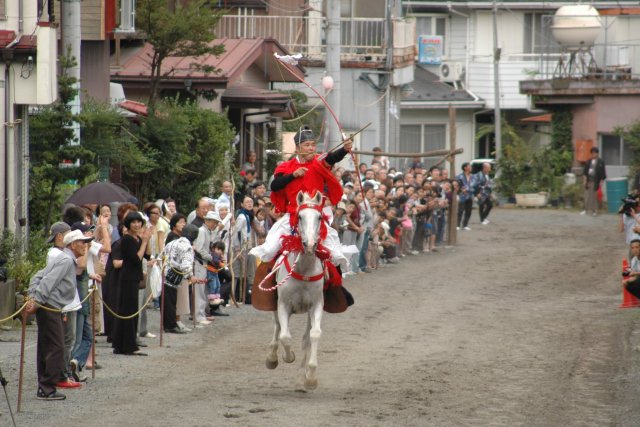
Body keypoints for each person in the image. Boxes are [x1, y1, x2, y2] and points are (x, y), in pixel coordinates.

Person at [249, 125, 352, 269]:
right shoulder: (287, 166)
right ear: (297, 149)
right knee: (270, 248)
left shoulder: (319, 163)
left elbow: (332, 157)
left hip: (316, 217)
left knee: (335, 254)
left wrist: (344, 149)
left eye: (313, 145)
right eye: (307, 145)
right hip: (292, 216)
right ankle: (269, 285)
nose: (311, 148)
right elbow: (275, 186)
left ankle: (333, 289)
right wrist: (293, 175)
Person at [25, 229, 94, 400]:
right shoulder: (65, 261)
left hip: (52, 307)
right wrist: (36, 301)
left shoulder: (65, 259)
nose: (85, 245)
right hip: (49, 306)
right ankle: (47, 387)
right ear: (72, 244)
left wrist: (33, 296)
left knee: (47, 346)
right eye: (82, 242)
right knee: (56, 347)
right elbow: (47, 281)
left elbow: (37, 276)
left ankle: (45, 387)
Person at [111, 212, 152, 356]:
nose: (136, 225)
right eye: (133, 222)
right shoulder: (127, 239)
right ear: (128, 224)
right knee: (128, 312)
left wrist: (147, 240)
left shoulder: (137, 238)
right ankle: (128, 345)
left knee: (132, 312)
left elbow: (147, 255)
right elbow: (136, 258)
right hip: (127, 277)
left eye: (138, 222)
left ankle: (125, 344)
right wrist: (145, 242)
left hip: (134, 277)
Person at [162, 224, 200, 333]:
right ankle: (170, 326)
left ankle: (168, 325)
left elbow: (163, 256)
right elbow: (185, 266)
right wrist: (191, 276)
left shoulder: (171, 243)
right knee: (171, 302)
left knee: (166, 301)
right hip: (174, 276)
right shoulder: (187, 247)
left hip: (164, 273)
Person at [581, 147, 606, 216]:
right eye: (592, 153)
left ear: (597, 153)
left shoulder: (601, 162)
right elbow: (585, 172)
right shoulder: (588, 161)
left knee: (595, 196)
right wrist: (584, 181)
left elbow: (603, 174)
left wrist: (601, 182)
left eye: (595, 153)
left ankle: (594, 210)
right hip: (589, 181)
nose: (594, 154)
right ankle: (585, 210)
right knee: (587, 195)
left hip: (596, 181)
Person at [456, 162, 476, 231]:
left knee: (468, 211)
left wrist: (466, 189)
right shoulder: (459, 176)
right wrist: (461, 189)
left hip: (470, 196)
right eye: (469, 166)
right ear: (465, 168)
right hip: (462, 196)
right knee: (460, 211)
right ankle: (457, 225)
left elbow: (473, 185)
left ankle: (465, 225)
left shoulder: (473, 176)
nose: (471, 168)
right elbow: (457, 185)